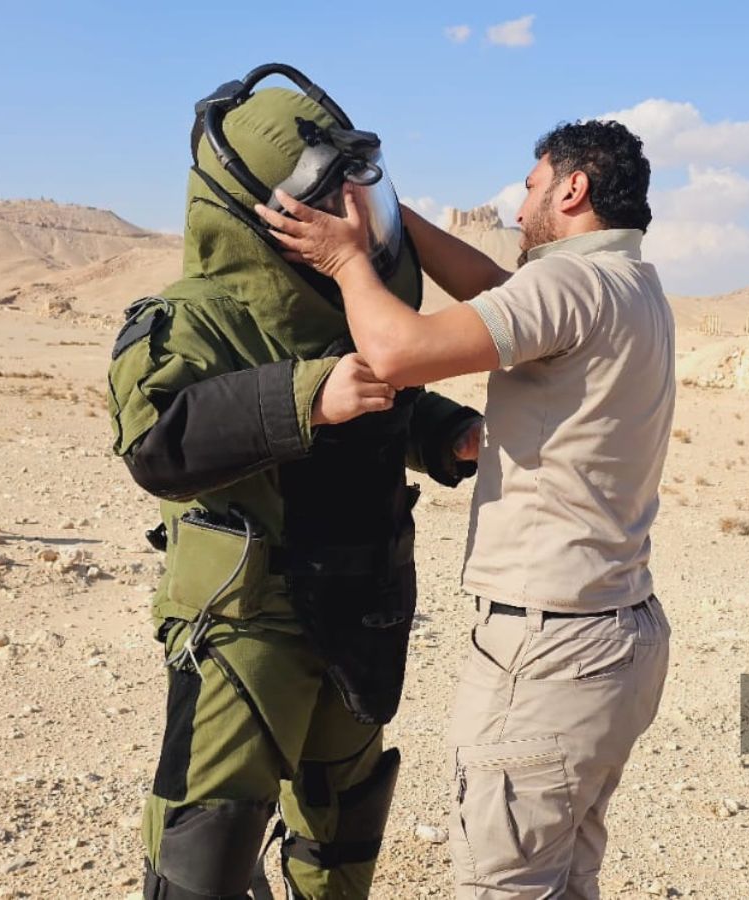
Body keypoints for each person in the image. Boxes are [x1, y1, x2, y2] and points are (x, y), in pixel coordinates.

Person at [256, 118, 675, 898]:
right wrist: (391, 216)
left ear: (572, 189)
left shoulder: (570, 286)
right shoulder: (628, 283)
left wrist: (349, 260)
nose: (518, 210)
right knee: (560, 876)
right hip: (616, 640)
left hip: (551, 651)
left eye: (529, 187)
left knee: (505, 884)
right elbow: (495, 293)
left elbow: (398, 352)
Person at [106, 63, 483, 899]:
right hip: (250, 620)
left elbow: (393, 405)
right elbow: (154, 444)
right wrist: (306, 396)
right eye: (330, 202)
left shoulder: (351, 305)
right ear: (266, 213)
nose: (356, 223)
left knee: (343, 830)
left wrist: (449, 434)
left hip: (361, 604)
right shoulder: (194, 316)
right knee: (206, 845)